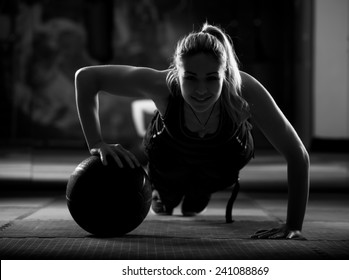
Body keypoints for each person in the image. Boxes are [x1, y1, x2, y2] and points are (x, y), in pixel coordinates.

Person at [75, 23, 310, 239]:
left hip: (221, 164)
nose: (200, 90)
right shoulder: (163, 85)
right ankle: (164, 194)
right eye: (190, 78)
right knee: (168, 195)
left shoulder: (243, 89)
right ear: (178, 73)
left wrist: (293, 226)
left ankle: (198, 195)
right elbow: (86, 78)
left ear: (225, 74)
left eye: (211, 78)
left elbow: (297, 154)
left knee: (194, 203)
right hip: (169, 158)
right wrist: (96, 142)